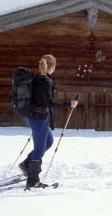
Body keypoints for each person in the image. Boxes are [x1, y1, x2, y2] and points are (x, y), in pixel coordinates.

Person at [18, 54, 78, 189]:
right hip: (37, 118)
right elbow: (50, 103)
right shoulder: (44, 81)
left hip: (38, 117)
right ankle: (33, 181)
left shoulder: (39, 77)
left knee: (49, 142)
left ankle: (27, 164)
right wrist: (69, 104)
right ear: (53, 66)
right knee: (39, 149)